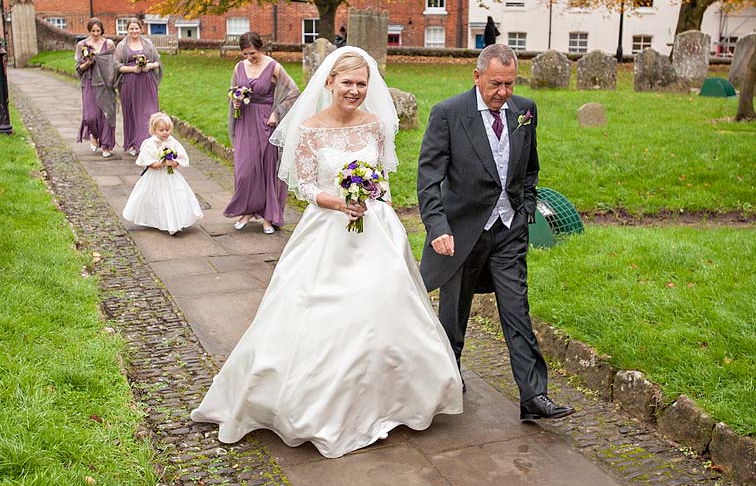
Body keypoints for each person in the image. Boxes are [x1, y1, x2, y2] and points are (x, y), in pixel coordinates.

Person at [191, 47, 463, 459]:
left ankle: (388, 403)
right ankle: (313, 406)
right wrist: (339, 203)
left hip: (375, 230)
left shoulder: (375, 126)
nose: (353, 90)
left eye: (361, 84)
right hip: (327, 231)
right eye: (346, 82)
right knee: (319, 313)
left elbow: (384, 181)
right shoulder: (310, 129)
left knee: (384, 308)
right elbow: (303, 187)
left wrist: (375, 204)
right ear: (330, 82)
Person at [417, 44, 574, 420]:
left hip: (509, 230)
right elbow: (428, 179)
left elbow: (530, 167)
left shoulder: (525, 111)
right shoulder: (448, 114)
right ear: (477, 77)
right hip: (461, 233)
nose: (503, 92)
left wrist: (526, 209)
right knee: (454, 314)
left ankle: (533, 396)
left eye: (509, 83)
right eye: (495, 84)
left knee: (517, 310)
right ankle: (448, 376)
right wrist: (437, 226)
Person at [223, 32, 299, 234]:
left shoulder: (273, 66)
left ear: (261, 48)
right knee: (245, 170)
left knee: (267, 169)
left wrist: (276, 112)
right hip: (245, 122)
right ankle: (247, 210)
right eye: (245, 53)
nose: (249, 57)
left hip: (267, 122)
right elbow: (233, 91)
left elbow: (294, 92)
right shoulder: (239, 67)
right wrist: (235, 100)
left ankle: (268, 216)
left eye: (253, 53)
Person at [122, 112, 203, 235]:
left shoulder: (173, 142)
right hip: (155, 177)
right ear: (154, 130)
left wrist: (174, 162)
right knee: (154, 199)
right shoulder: (149, 144)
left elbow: (180, 159)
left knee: (174, 197)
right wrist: (163, 163)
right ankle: (156, 220)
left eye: (167, 129)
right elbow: (150, 164)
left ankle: (174, 223)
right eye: (161, 130)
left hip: (171, 176)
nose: (165, 132)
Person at [114, 19, 162, 156]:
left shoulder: (148, 44)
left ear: (141, 29)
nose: (134, 31)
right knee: (133, 114)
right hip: (129, 84)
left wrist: (149, 66)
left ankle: (150, 144)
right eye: (131, 29)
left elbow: (157, 62)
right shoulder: (122, 46)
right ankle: (135, 144)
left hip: (147, 83)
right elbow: (117, 66)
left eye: (136, 28)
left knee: (149, 113)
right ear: (127, 30)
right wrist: (133, 69)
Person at [75, 18, 117, 158]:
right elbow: (79, 67)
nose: (95, 33)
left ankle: (106, 145)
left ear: (102, 30)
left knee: (107, 114)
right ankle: (94, 134)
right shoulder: (82, 45)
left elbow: (114, 64)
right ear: (89, 30)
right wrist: (88, 63)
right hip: (89, 82)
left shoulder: (109, 44)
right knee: (90, 116)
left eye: (98, 31)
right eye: (93, 31)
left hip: (106, 83)